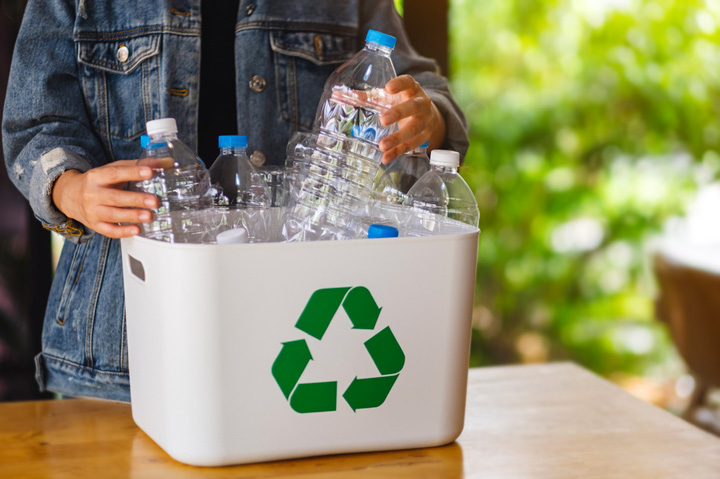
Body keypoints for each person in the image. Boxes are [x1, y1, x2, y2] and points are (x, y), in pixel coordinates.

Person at [3, 0, 469, 401]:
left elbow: (422, 84)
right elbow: (34, 122)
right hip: (119, 347)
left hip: (305, 331)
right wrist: (71, 190)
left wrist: (428, 118)